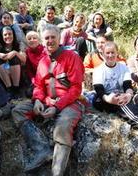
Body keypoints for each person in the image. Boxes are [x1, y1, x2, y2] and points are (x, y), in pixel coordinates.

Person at [12, 24, 85, 175]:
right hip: (46, 101)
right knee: (18, 111)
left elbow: (76, 89)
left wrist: (57, 106)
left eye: (53, 37)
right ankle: (42, 149)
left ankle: (57, 172)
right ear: (42, 41)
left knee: (63, 126)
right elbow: (38, 86)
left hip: (70, 103)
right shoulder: (43, 62)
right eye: (47, 38)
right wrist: (38, 99)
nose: (50, 41)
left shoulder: (72, 57)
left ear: (59, 39)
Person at [93, 42, 138, 142]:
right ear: (103, 54)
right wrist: (109, 99)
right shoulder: (98, 70)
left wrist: (128, 95)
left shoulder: (123, 67)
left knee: (133, 99)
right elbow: (99, 90)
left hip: (121, 95)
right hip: (104, 98)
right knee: (122, 103)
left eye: (113, 52)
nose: (110, 55)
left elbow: (127, 85)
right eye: (107, 53)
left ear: (117, 53)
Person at [0, 26, 26, 98]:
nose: (8, 36)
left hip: (18, 74)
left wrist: (15, 52)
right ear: (2, 36)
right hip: (4, 73)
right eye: (5, 34)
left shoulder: (19, 45)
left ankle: (16, 89)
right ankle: (9, 90)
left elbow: (24, 60)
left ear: (13, 35)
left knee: (14, 58)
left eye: (10, 34)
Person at [24, 31, 47, 97]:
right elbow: (29, 69)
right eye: (29, 39)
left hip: (46, 77)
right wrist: (33, 80)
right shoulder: (27, 52)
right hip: (36, 79)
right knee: (29, 93)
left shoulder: (45, 50)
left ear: (39, 40)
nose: (32, 40)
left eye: (34, 38)